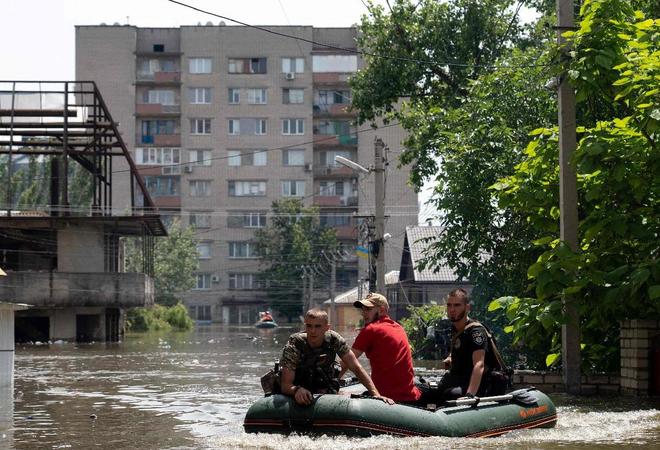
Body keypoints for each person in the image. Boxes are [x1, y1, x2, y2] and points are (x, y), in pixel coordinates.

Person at [279, 308, 394, 406]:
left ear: (327, 327)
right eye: (309, 326)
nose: (313, 331)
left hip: (322, 387)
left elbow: (356, 368)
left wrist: (376, 395)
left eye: (318, 326)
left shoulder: (334, 340)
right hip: (299, 387)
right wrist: (297, 390)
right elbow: (285, 385)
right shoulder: (295, 344)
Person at [339, 292, 426, 404]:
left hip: (387, 398)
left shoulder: (371, 329)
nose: (364, 313)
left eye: (368, 309)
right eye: (363, 310)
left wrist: (330, 382)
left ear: (381, 310)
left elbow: (347, 361)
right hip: (411, 396)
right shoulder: (399, 328)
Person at [439, 288, 508, 400]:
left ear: (467, 308)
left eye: (457, 305)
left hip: (482, 383)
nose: (452, 309)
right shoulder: (456, 329)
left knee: (450, 394)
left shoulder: (476, 332)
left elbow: (479, 364)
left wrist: (469, 395)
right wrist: (451, 357)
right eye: (449, 305)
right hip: (462, 378)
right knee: (433, 391)